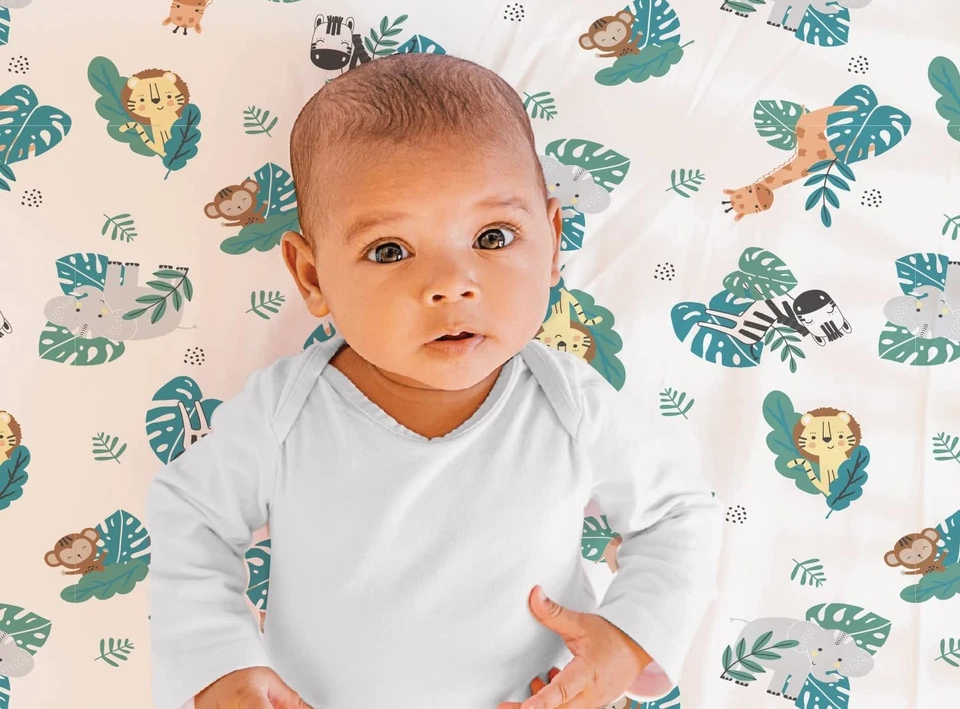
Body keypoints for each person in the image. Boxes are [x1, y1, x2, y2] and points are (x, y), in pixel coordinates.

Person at [145, 53, 723, 709]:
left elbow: (678, 515)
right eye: (390, 250)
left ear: (553, 241)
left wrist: (628, 639)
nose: (451, 283)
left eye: (493, 236)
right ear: (311, 275)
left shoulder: (569, 404)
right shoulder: (286, 413)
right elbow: (191, 518)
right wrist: (220, 665)